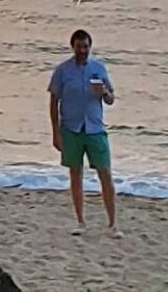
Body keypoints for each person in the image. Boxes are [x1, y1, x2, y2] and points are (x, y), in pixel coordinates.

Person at [47, 29, 118, 236]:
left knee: (105, 173)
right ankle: (80, 222)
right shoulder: (62, 71)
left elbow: (111, 99)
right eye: (79, 46)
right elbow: (53, 102)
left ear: (90, 47)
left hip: (95, 128)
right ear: (73, 47)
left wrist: (104, 92)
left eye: (86, 46)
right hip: (71, 128)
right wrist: (55, 132)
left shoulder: (98, 68)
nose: (82, 50)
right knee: (75, 174)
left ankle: (112, 224)